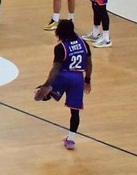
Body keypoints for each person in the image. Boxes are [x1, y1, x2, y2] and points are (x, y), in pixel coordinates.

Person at [33, 20, 92, 151]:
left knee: (42, 94)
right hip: (78, 78)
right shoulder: (84, 44)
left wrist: (46, 84)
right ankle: (71, 140)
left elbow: (55, 69)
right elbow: (89, 64)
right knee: (75, 112)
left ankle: (49, 93)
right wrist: (87, 80)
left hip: (64, 76)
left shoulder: (61, 47)